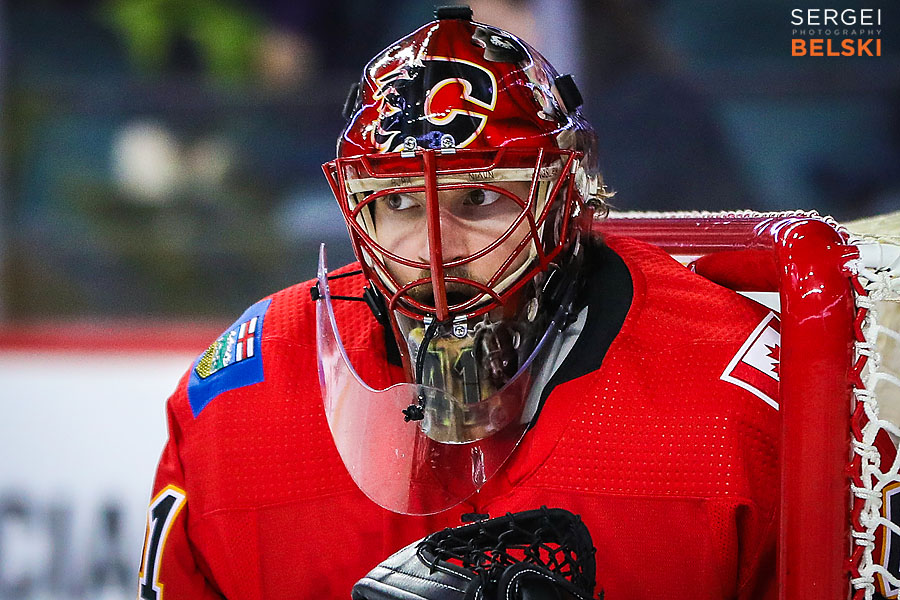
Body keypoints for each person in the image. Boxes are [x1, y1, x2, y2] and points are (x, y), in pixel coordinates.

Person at [138, 7, 779, 599]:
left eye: (478, 199)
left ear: (561, 197)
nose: (435, 253)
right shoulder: (242, 399)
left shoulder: (741, 403)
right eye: (398, 201)